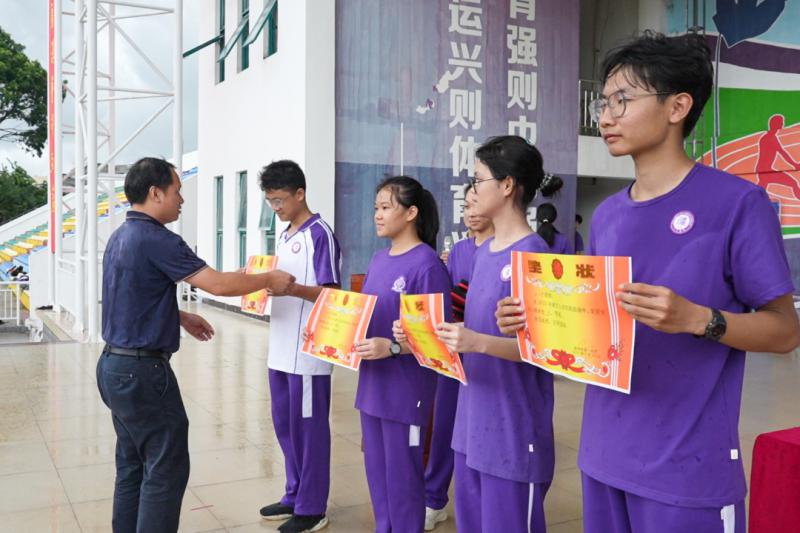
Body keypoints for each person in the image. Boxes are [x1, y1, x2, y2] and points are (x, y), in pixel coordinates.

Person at [497, 31, 800, 533]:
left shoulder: (736, 205)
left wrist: (699, 319)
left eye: (623, 100)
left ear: (678, 106)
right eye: (603, 102)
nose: (606, 117)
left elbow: (785, 331)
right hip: (603, 457)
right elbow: (593, 336)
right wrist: (535, 322)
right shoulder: (609, 215)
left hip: (686, 471)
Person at [98, 157, 295, 533]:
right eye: (177, 191)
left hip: (113, 367)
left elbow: (131, 295)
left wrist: (177, 316)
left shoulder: (120, 236)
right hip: (142, 373)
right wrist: (268, 279)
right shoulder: (158, 239)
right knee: (165, 469)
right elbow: (217, 284)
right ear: (156, 193)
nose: (182, 200)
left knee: (133, 465)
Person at [434, 135, 563, 533]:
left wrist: (477, 342)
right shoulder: (483, 253)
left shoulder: (534, 255)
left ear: (507, 185)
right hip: (472, 424)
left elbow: (549, 350)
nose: (472, 190)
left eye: (478, 180)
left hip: (512, 429)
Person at [353, 176, 452, 533]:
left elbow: (439, 340)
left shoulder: (427, 265)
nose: (377, 215)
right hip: (372, 386)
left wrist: (393, 347)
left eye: (385, 207)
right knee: (378, 477)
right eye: (375, 208)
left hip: (406, 391)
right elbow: (367, 317)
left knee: (403, 481)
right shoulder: (379, 259)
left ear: (411, 213)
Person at [256, 161, 342, 533]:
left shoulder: (320, 234)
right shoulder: (285, 234)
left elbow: (332, 295)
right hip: (279, 347)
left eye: (279, 200)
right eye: (270, 201)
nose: (275, 208)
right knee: (285, 425)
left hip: (308, 352)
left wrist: (292, 289)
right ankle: (294, 493)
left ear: (300, 194)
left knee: (309, 430)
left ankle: (312, 506)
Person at [424, 185, 493, 531]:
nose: (470, 212)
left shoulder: (507, 249)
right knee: (445, 427)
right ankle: (434, 498)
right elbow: (448, 301)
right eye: (465, 206)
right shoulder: (459, 251)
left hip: (490, 355)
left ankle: (486, 503)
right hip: (454, 354)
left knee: (482, 434)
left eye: (476, 204)